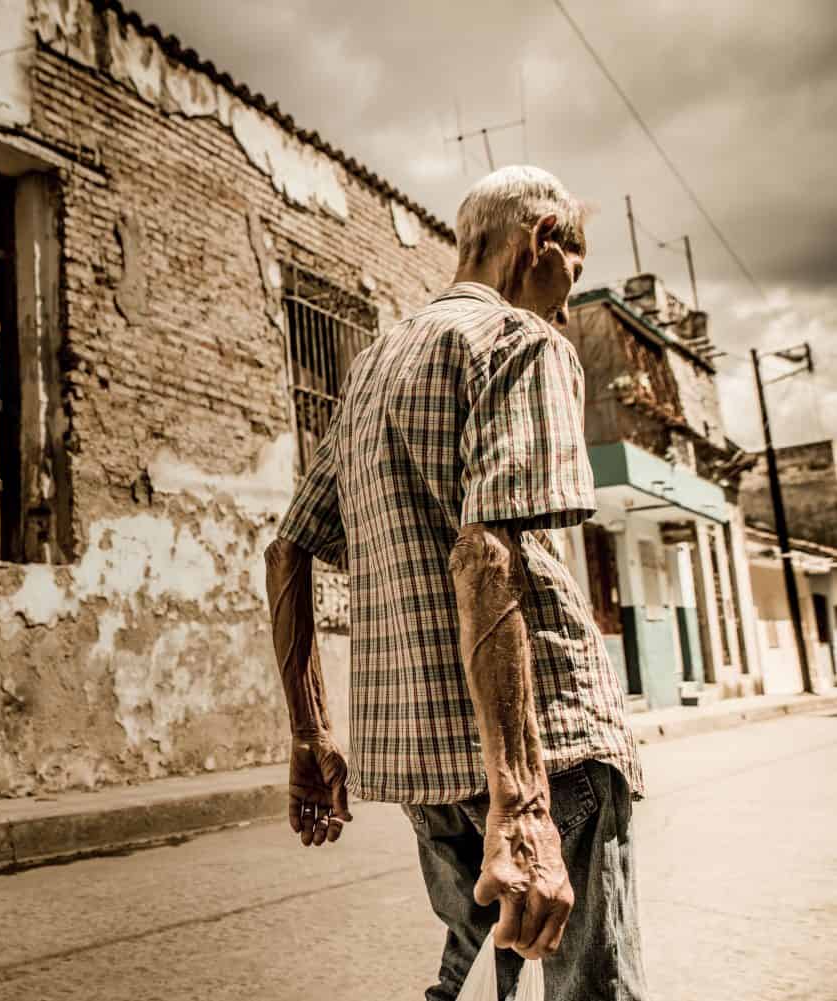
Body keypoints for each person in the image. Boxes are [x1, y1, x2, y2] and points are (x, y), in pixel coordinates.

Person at [264, 165, 647, 1000]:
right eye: (569, 279)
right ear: (539, 240)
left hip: (425, 770)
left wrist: (310, 733)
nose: (566, 309)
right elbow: (486, 553)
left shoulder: (370, 369)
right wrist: (522, 800)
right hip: (550, 757)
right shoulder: (521, 342)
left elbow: (286, 552)